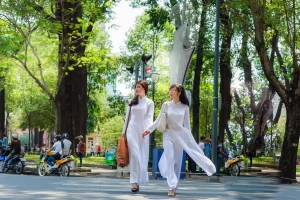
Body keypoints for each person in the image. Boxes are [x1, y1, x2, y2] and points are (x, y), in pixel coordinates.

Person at [142, 84, 216, 197]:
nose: (170, 91)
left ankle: (174, 185)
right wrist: (148, 129)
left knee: (177, 162)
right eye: (170, 89)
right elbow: (158, 120)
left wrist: (189, 140)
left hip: (180, 136)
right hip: (168, 134)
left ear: (179, 92)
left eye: (173, 89)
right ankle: (171, 186)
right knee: (170, 158)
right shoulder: (166, 105)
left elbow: (187, 125)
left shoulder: (185, 107)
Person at [122, 80, 154, 193]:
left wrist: (148, 129)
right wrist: (123, 133)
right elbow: (127, 118)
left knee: (141, 156)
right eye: (136, 87)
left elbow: (150, 117)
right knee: (134, 155)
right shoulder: (132, 102)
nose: (136, 89)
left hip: (143, 132)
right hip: (131, 129)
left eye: (139, 87)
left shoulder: (149, 103)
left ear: (144, 89)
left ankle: (140, 177)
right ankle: (133, 182)